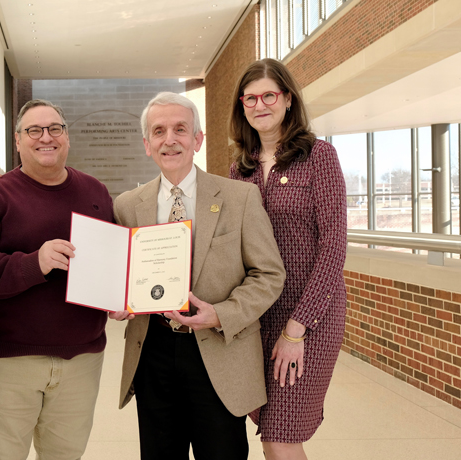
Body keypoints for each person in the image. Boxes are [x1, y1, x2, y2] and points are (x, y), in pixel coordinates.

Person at [111, 92, 286, 460]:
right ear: (147, 144)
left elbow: (269, 274)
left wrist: (222, 313)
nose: (169, 139)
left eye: (180, 129)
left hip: (220, 351)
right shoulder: (127, 206)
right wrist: (116, 300)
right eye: (159, 131)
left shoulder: (240, 197)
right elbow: (121, 275)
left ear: (197, 139)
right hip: (152, 352)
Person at [0, 99, 114, 460]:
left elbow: (111, 260)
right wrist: (33, 263)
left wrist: (119, 296)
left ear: (67, 137)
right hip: (6, 361)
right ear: (18, 140)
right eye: (34, 130)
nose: (46, 137)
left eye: (55, 128)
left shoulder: (96, 192)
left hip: (81, 360)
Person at [228, 58, 348, 460]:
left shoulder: (319, 157)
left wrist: (296, 330)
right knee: (268, 425)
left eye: (269, 96)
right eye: (250, 99)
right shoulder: (238, 171)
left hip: (308, 316)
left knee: (280, 432)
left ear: (288, 100)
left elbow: (334, 248)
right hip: (257, 317)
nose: (259, 105)